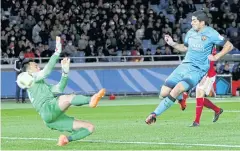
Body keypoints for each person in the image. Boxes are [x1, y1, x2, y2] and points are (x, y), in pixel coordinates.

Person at [145, 10, 233, 125]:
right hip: (184, 66)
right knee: (163, 92)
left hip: (197, 70)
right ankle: (181, 99)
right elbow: (185, 48)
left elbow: (229, 46)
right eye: (192, 21)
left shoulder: (211, 33)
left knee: (177, 90)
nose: (192, 23)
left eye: (194, 21)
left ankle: (154, 114)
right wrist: (172, 43)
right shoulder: (190, 32)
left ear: (202, 22)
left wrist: (216, 56)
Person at [16, 36, 106, 146]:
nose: (38, 67)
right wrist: (57, 51)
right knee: (68, 98)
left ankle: (66, 139)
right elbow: (47, 71)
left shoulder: (40, 85)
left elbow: (59, 88)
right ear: (29, 71)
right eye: (35, 66)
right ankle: (91, 99)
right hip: (48, 109)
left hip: (51, 118)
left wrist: (65, 72)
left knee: (90, 128)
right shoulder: (30, 78)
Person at [179, 46, 224, 127]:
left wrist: (204, 75)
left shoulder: (208, 45)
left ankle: (196, 122)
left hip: (208, 75)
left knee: (199, 96)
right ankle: (217, 110)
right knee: (199, 98)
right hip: (203, 74)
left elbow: (208, 62)